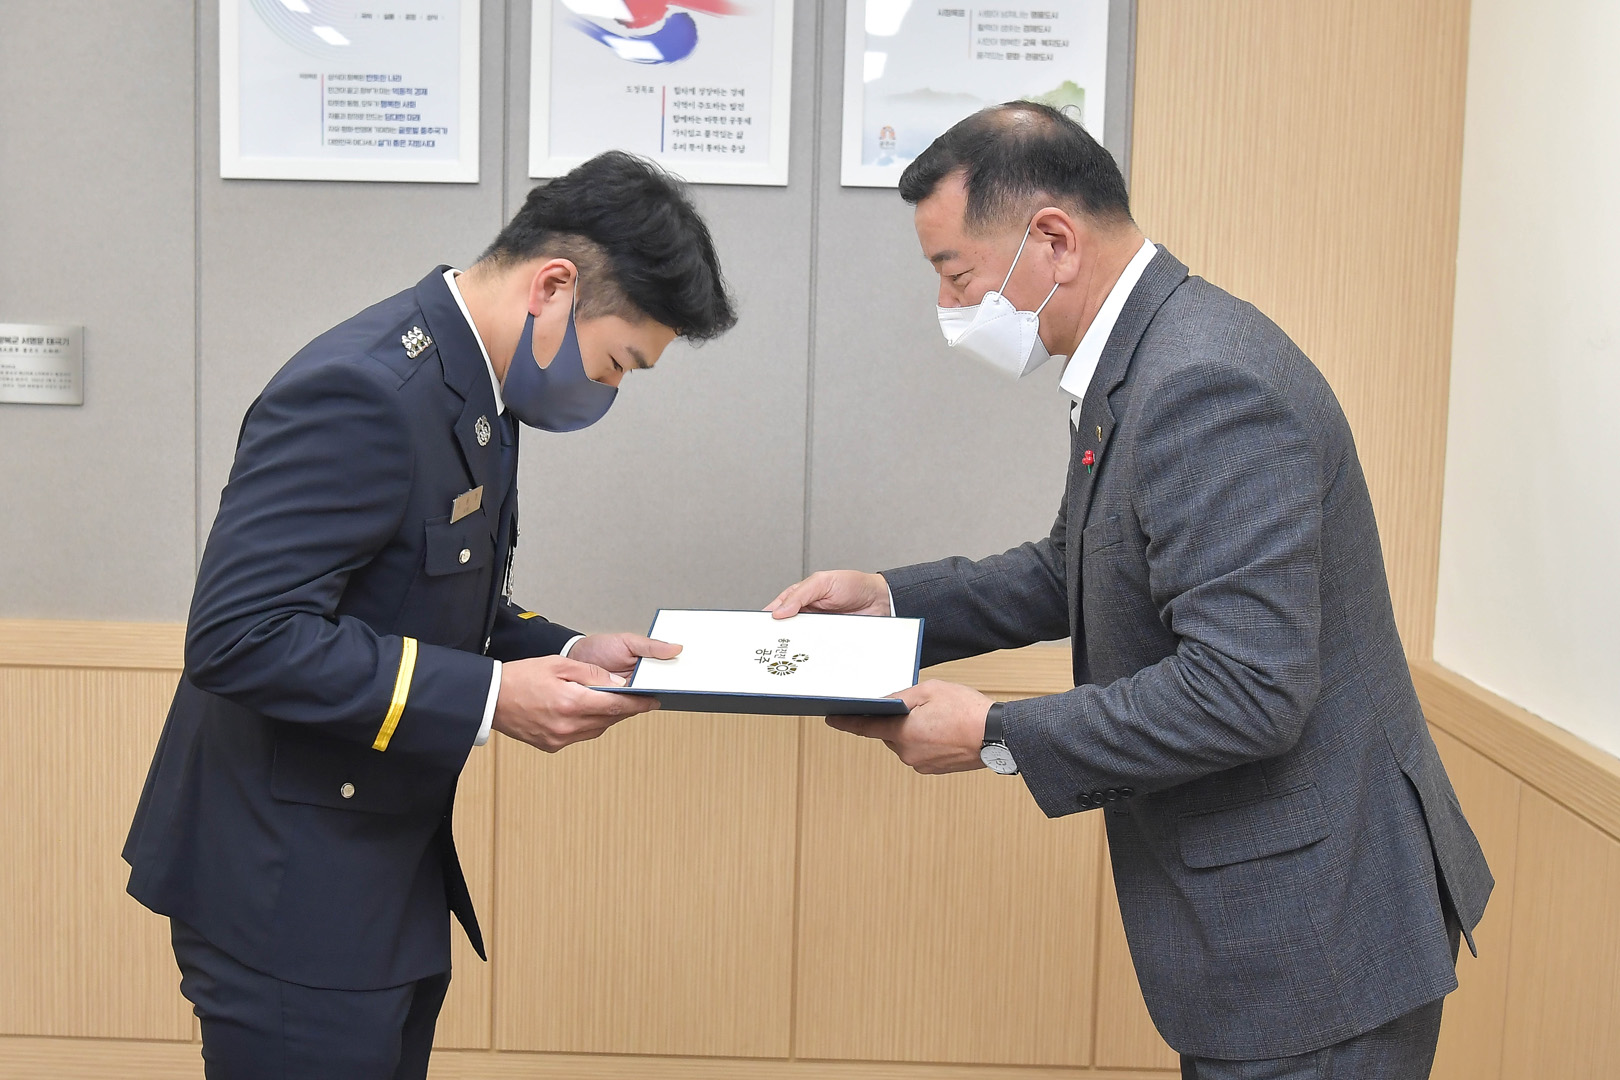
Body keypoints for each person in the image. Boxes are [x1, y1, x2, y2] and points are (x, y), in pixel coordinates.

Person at [767, 103, 1492, 1079]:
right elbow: (1077, 565)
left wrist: (995, 734)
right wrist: (892, 604)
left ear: (1053, 240)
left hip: (1316, 943)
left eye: (956, 274)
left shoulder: (1206, 382)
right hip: (1279, 928)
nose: (947, 304)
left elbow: (1246, 690)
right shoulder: (1144, 361)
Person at [123, 151, 736, 1079]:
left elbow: (433, 593)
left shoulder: (476, 390)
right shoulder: (366, 390)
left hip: (377, 869)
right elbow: (242, 635)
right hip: (287, 886)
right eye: (618, 361)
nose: (611, 390)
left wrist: (572, 648)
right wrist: (493, 698)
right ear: (554, 287)